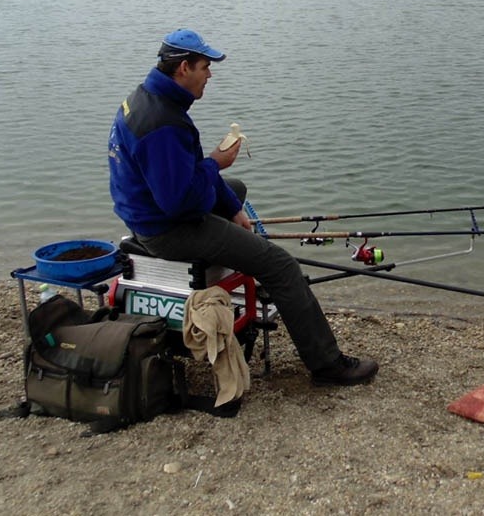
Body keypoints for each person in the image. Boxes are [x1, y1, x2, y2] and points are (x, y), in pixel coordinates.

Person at [108, 28, 378, 388]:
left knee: (233, 191)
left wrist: (233, 207)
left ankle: (238, 242)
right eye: (205, 66)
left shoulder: (148, 98)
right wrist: (216, 163)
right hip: (165, 229)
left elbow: (182, 174)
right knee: (280, 265)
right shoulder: (163, 123)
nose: (210, 74)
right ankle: (327, 364)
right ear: (184, 68)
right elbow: (177, 203)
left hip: (147, 211)